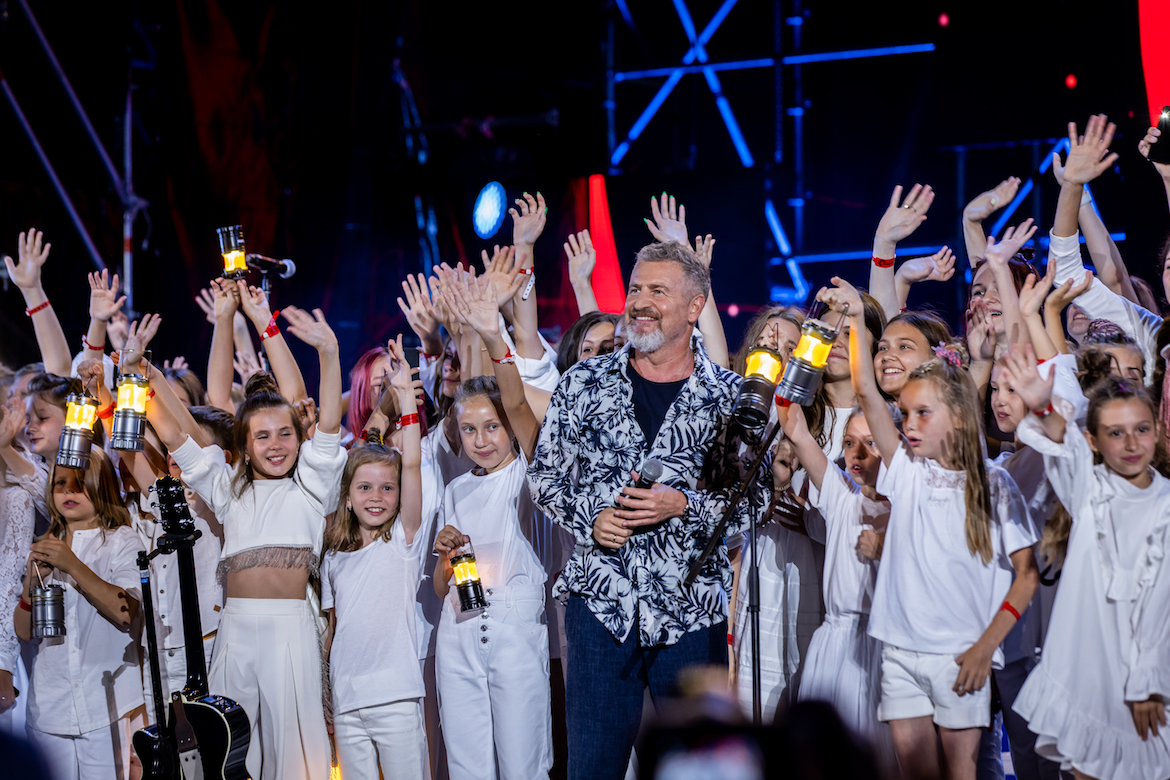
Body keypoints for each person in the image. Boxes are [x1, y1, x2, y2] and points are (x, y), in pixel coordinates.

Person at [529, 240, 769, 779]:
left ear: (694, 306)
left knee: (701, 767)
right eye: (635, 288)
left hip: (689, 609)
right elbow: (543, 476)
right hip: (601, 607)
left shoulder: (729, 397)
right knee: (592, 768)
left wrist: (683, 504)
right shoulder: (584, 383)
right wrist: (591, 516)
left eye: (657, 291)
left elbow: (756, 500)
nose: (639, 301)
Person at [824, 275, 1040, 780]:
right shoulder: (905, 469)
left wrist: (986, 646)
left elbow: (1027, 574)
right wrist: (854, 318)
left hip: (960, 654)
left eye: (923, 413)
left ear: (959, 419)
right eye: (906, 414)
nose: (910, 424)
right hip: (899, 652)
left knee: (961, 773)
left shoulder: (994, 483)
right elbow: (865, 389)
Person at [159, 305, 346, 780]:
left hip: (291, 632)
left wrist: (329, 353)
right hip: (236, 631)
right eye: (262, 436)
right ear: (243, 446)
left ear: (299, 440)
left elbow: (327, 426)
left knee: (293, 747)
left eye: (285, 434)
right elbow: (176, 436)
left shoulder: (312, 487)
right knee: (231, 748)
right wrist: (142, 375)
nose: (275, 444)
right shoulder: (227, 490)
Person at [1002, 346, 1170, 780]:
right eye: (1115, 433)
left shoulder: (1167, 504)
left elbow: (1161, 603)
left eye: (1141, 429)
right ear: (1093, 440)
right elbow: (1063, 446)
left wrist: (1149, 681)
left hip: (1149, 671)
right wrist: (1042, 405)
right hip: (1090, 665)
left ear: (1156, 431)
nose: (1130, 444)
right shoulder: (1089, 490)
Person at [430, 268, 553, 780]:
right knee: (468, 766)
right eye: (469, 429)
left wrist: (488, 332)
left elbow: (523, 403)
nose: (481, 440)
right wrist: (445, 555)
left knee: (523, 764)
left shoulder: (529, 470)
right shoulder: (455, 489)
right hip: (458, 626)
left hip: (513, 626)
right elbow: (441, 588)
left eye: (492, 427)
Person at [323, 337, 427, 780]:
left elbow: (412, 465)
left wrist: (405, 403)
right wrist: (328, 697)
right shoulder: (334, 557)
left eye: (387, 488)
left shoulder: (402, 540)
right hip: (348, 702)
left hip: (396, 698)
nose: (377, 497)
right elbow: (332, 631)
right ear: (347, 497)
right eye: (364, 488)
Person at [777, 400, 898, 773]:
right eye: (849, 442)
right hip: (834, 644)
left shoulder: (909, 504)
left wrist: (885, 550)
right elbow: (795, 429)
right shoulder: (842, 493)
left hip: (882, 645)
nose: (857, 454)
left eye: (871, 442)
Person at [16, 448, 144, 780]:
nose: (68, 491)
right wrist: (31, 585)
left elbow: (126, 612)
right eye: (60, 483)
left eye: (79, 482)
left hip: (106, 705)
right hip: (49, 705)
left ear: (102, 486)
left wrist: (71, 564)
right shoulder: (44, 546)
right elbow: (25, 632)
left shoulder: (122, 541)